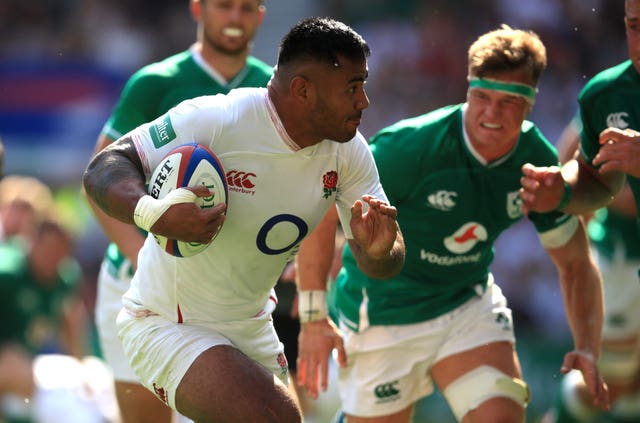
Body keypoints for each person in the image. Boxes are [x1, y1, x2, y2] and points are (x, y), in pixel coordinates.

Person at [83, 16, 405, 422]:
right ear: (303, 90)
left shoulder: (349, 151)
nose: (364, 102)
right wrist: (153, 214)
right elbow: (104, 167)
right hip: (165, 323)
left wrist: (379, 250)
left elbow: (386, 260)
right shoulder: (218, 119)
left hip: (251, 326)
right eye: (353, 88)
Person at [295, 24, 610, 423]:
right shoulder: (409, 148)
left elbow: (576, 262)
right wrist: (312, 316)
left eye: (508, 103)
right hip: (383, 312)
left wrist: (586, 346)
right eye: (482, 97)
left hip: (466, 304)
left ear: (530, 104)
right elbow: (323, 210)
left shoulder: (536, 163)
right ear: (467, 92)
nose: (491, 114)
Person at [85, 1, 272, 421]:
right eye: (224, 6)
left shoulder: (271, 90)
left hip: (228, 295)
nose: (235, 19)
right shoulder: (155, 83)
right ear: (198, 9)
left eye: (247, 8)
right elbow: (98, 179)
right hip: (135, 287)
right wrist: (144, 261)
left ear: (260, 15)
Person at [521, 1, 640, 420]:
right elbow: (578, 162)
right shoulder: (608, 94)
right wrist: (562, 189)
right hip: (625, 258)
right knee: (613, 386)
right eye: (633, 25)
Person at [0, 218, 89, 421]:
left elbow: (70, 319)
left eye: (60, 251)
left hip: (27, 358)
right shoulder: (7, 273)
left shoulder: (65, 277)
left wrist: (80, 362)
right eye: (48, 249)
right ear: (33, 243)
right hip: (9, 357)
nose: (53, 257)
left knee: (86, 382)